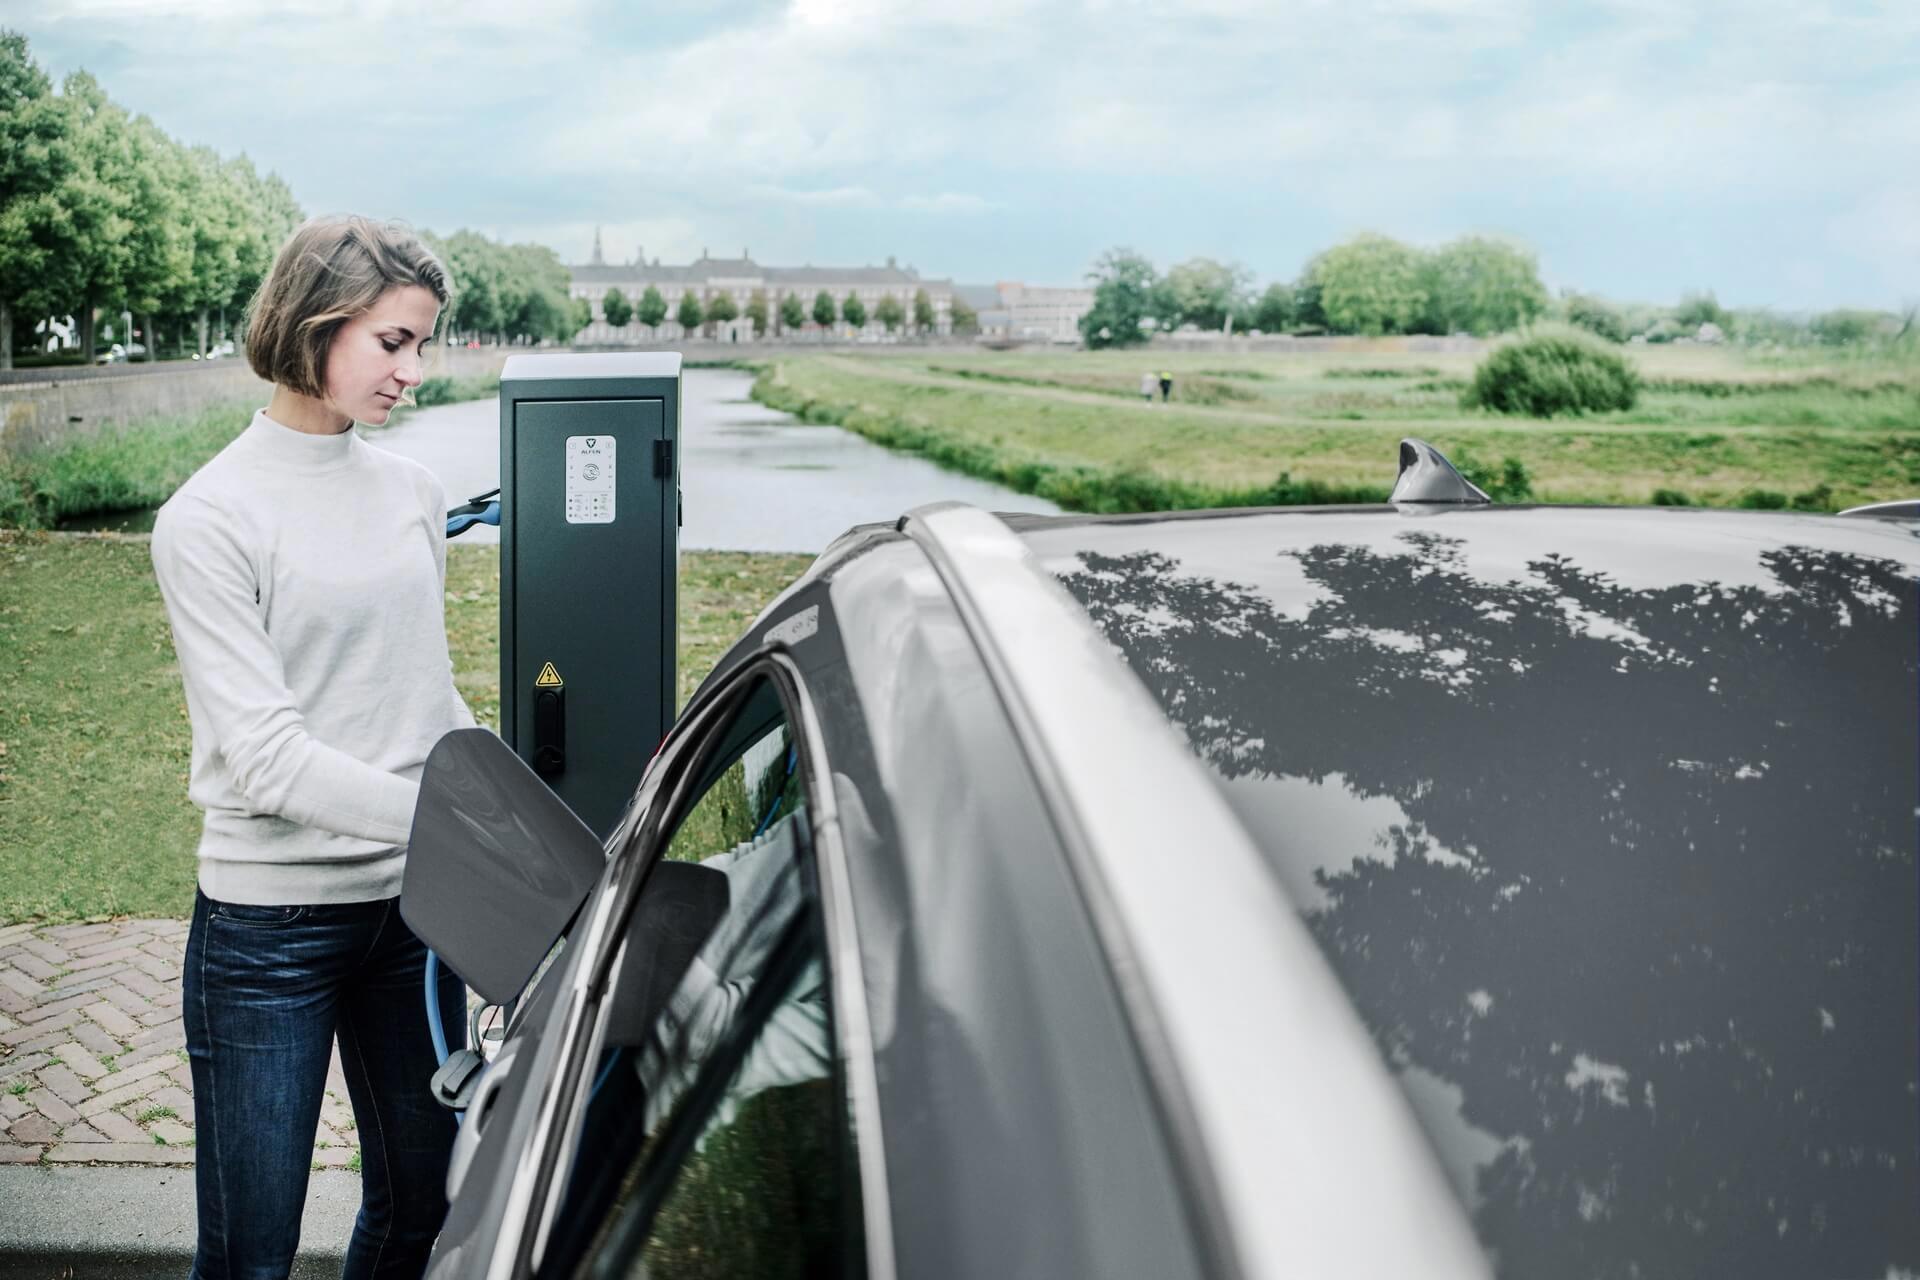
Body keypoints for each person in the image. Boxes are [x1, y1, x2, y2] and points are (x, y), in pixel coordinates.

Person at [150, 216, 473, 1280]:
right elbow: (270, 761)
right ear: (314, 320)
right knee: (251, 1254)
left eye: (422, 344)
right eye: (392, 341)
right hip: (266, 933)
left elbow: (427, 701)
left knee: (423, 1213)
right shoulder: (209, 518)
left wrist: (505, 803)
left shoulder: (414, 494)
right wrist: (456, 822)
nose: (412, 372)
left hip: (411, 918)